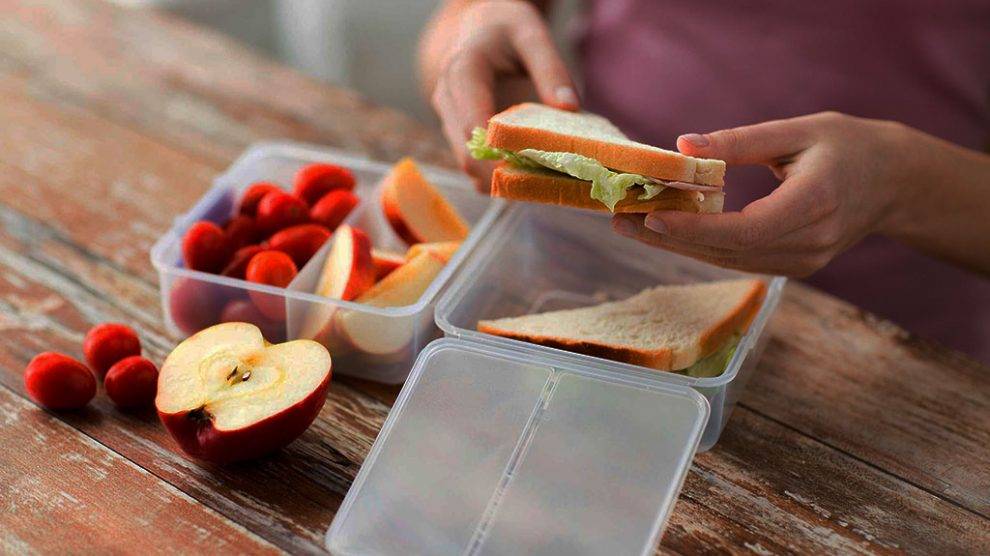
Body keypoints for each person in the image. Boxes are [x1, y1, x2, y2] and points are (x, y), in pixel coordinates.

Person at [418, 0, 990, 363]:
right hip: (573, 271)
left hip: (894, 352)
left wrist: (898, 183)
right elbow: (470, 21)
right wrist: (469, 35)